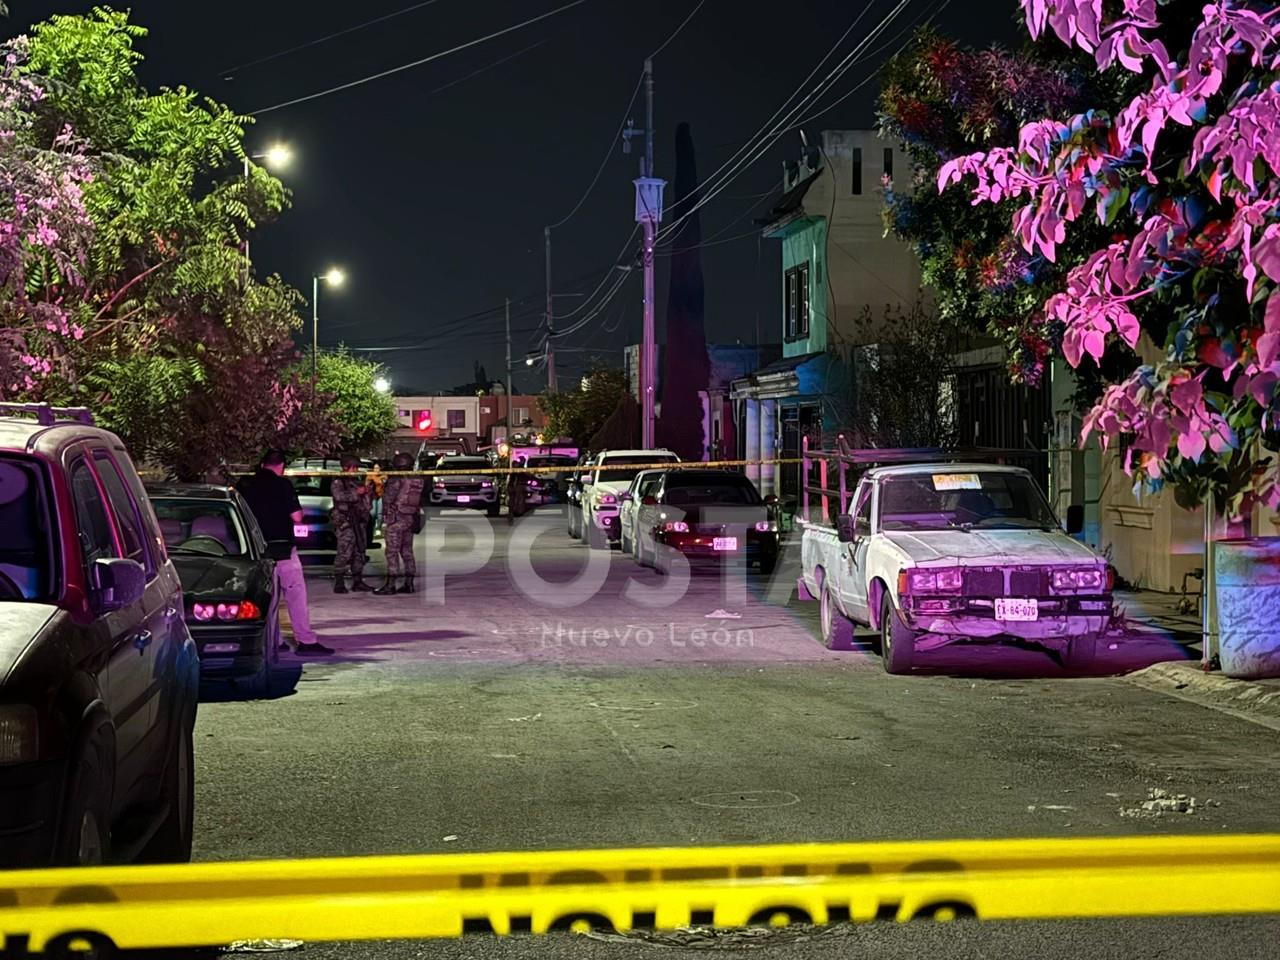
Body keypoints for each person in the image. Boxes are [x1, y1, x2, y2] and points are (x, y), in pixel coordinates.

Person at [237, 450, 333, 656]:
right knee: (295, 594)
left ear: (262, 464)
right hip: (282, 549)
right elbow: (297, 517)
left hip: (255, 551)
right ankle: (306, 641)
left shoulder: (245, 486)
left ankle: (275, 641)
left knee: (267, 598)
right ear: (281, 466)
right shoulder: (283, 485)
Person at [375, 452, 424, 594]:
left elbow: (387, 499)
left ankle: (390, 585)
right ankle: (409, 584)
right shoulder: (416, 479)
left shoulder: (395, 480)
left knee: (391, 552)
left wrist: (385, 515)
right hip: (410, 517)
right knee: (407, 552)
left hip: (396, 519)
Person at [331, 455, 373, 593]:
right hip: (346, 522)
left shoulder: (357, 481)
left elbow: (367, 504)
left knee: (359, 552)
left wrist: (367, 493)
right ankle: (339, 582)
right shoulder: (339, 482)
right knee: (344, 552)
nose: (355, 470)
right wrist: (357, 493)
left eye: (356, 467)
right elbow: (339, 497)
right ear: (345, 467)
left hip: (359, 522)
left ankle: (358, 581)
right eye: (353, 467)